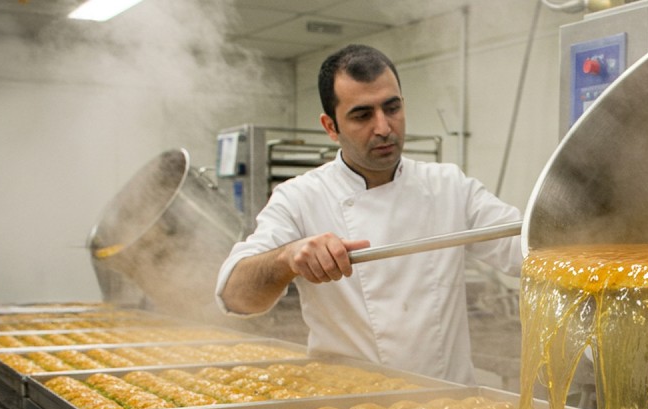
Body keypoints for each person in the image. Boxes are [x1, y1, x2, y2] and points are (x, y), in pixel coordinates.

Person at [216, 44, 522, 384]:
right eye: (362, 115)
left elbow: (529, 248)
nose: (384, 127)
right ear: (330, 127)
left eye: (392, 108)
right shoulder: (300, 197)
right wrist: (287, 258)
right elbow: (236, 296)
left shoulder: (449, 186)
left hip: (447, 406)